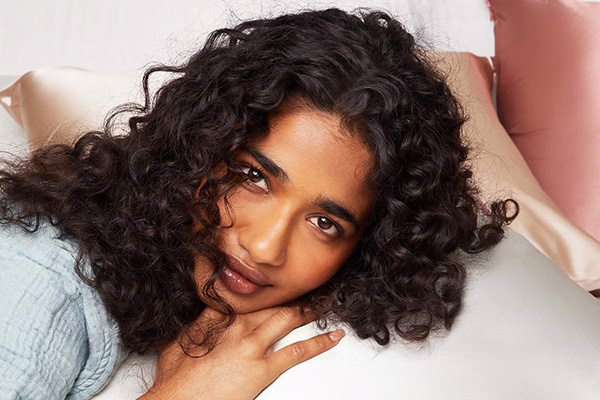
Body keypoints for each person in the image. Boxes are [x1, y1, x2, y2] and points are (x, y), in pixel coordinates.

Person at [0, 7, 518, 400]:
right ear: (197, 147)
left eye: (324, 222)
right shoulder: (40, 277)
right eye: (254, 177)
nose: (266, 246)